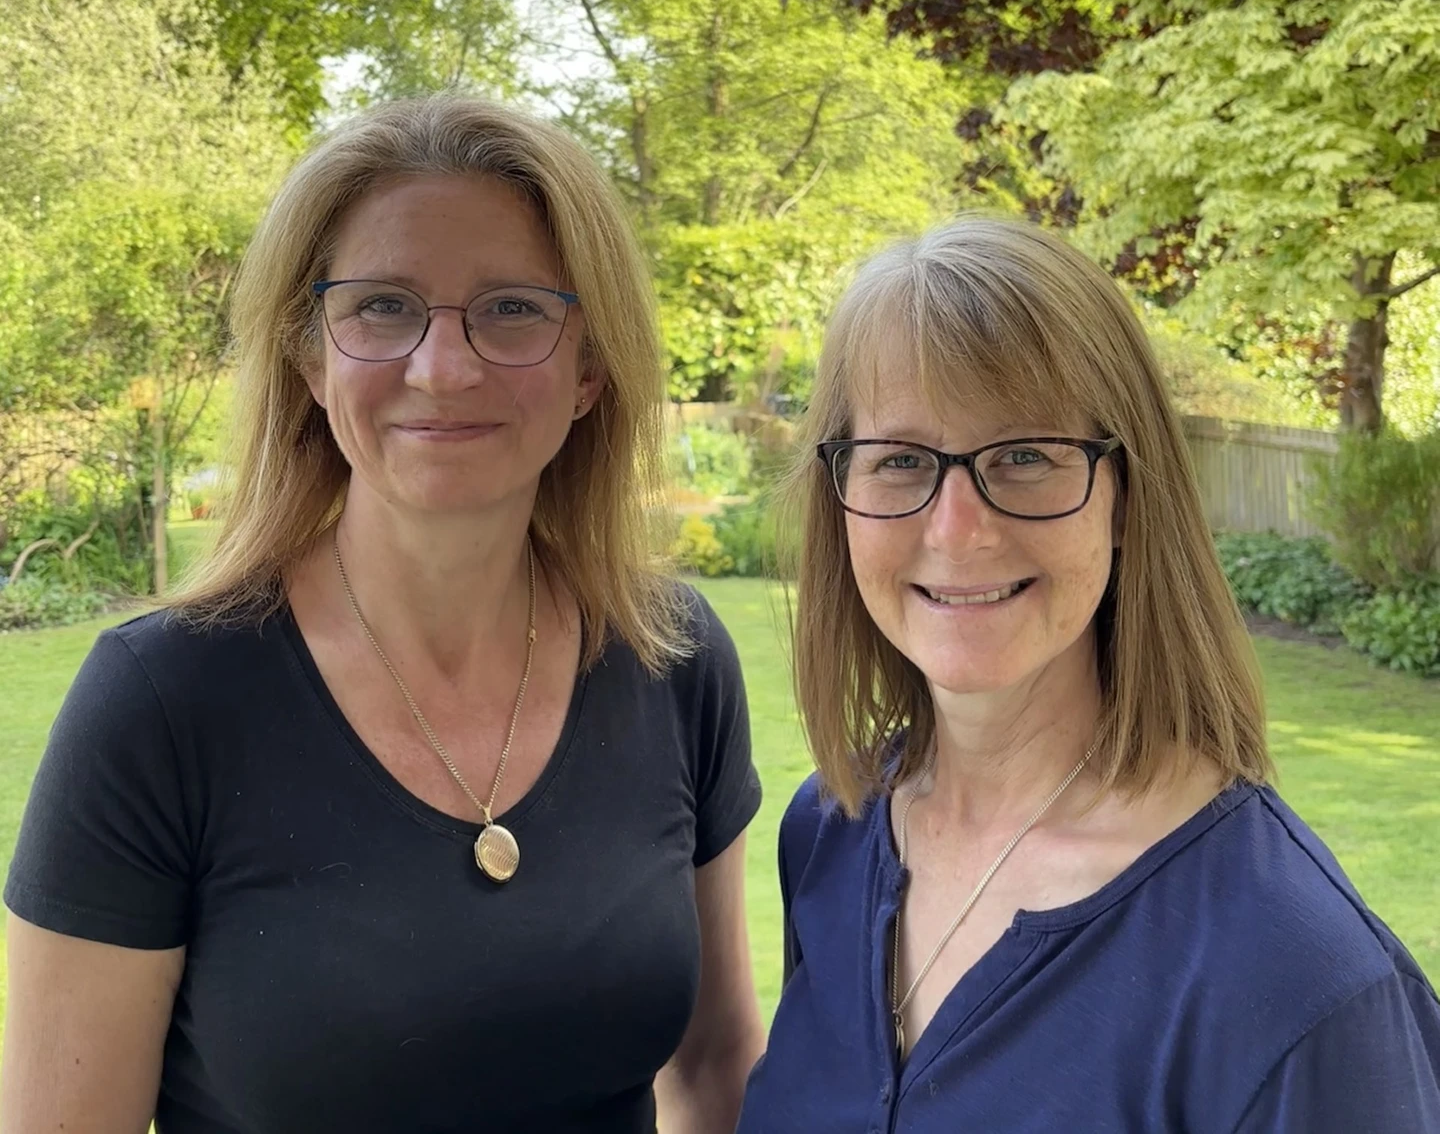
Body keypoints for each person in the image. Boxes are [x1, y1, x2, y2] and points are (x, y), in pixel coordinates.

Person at [3, 95, 764, 1134]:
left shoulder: (671, 658)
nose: (442, 368)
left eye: (511, 308)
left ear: (590, 367)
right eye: (382, 307)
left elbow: (716, 1065)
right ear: (310, 357)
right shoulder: (164, 703)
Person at [738, 216, 1440, 1133]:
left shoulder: (1298, 979)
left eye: (1025, 455)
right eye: (900, 460)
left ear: (1125, 497)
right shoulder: (830, 839)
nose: (957, 530)